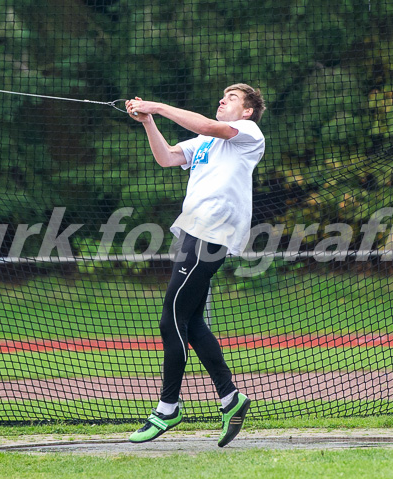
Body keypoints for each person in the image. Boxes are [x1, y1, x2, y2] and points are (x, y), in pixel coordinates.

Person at [125, 84, 266, 447]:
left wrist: (156, 102)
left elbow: (205, 125)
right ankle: (230, 398)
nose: (223, 100)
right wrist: (148, 121)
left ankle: (167, 407)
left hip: (212, 230)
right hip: (194, 229)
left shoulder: (248, 133)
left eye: (231, 98)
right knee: (191, 321)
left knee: (170, 317)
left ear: (247, 111)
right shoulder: (205, 144)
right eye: (223, 96)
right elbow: (168, 157)